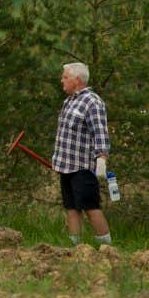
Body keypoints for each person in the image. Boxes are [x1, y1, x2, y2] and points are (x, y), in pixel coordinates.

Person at [51, 62, 113, 246]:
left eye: (65, 77)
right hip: (66, 165)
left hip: (83, 166)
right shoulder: (69, 101)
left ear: (77, 80)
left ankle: (107, 248)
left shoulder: (92, 102)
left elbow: (100, 131)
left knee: (90, 206)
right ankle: (75, 247)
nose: (61, 80)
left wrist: (102, 157)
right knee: (71, 207)